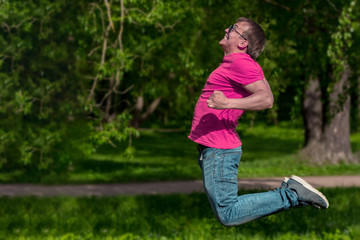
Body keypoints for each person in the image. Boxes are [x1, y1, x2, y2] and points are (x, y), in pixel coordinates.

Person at [188, 17, 329, 226]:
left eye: (233, 28)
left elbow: (266, 99)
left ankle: (292, 194)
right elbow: (266, 89)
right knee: (227, 213)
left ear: (243, 43)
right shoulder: (243, 64)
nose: (226, 28)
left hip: (219, 148)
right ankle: (293, 194)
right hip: (215, 148)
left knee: (228, 213)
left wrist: (227, 103)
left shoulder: (240, 62)